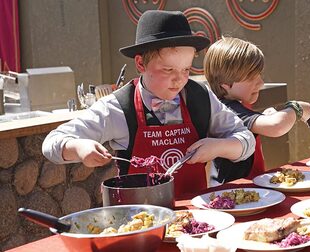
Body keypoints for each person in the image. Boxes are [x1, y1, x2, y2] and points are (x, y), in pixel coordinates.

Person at [42, 11, 255, 196]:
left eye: (186, 70)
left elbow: (246, 141)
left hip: (196, 219)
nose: (179, 79)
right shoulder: (117, 107)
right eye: (168, 70)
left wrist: (219, 146)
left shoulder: (200, 96)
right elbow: (52, 142)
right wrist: (79, 147)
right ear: (141, 63)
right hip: (140, 220)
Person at [204, 37, 310, 183]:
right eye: (251, 78)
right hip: (234, 193)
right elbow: (276, 126)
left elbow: (257, 123)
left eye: (259, 75)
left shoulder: (237, 103)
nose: (260, 83)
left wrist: (263, 116)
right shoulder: (228, 111)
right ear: (225, 85)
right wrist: (297, 108)